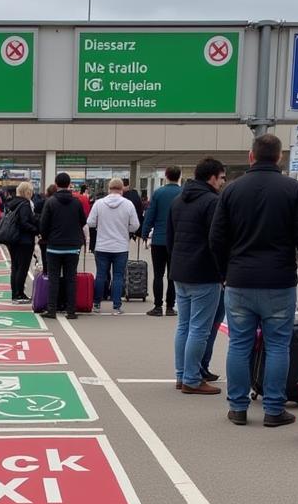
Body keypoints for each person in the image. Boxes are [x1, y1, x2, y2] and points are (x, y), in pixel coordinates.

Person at [210, 133, 298, 428]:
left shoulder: (232, 190)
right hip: (279, 279)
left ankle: (237, 407)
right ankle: (274, 409)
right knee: (277, 345)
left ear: (251, 156)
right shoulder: (293, 188)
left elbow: (217, 237)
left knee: (239, 344)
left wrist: (224, 272)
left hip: (239, 279)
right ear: (279, 157)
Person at [167, 158, 227, 394]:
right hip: (204, 273)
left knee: (184, 326)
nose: (222, 182)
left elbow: (170, 238)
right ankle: (192, 378)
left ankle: (182, 375)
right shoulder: (212, 202)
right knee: (199, 329)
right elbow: (218, 241)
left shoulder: (178, 200)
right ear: (211, 177)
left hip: (181, 271)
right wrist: (223, 271)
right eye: (221, 178)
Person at [86, 177, 139, 315]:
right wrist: (125, 228)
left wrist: (100, 225)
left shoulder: (99, 203)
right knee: (118, 276)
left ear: (109, 189)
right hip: (121, 246)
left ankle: (96, 304)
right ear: (122, 189)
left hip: (102, 245)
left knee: (101, 275)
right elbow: (135, 225)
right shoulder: (128, 204)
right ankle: (116, 306)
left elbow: (90, 222)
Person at [38, 172, 86, 320]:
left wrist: (46, 238)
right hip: (72, 246)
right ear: (69, 183)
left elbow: (43, 224)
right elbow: (82, 221)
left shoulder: (50, 202)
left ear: (56, 184)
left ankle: (52, 309)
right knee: (70, 278)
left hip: (54, 246)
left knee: (54, 279)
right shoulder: (76, 202)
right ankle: (71, 310)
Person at [142, 166, 182, 316]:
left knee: (158, 274)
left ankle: (158, 306)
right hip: (177, 240)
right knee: (172, 275)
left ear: (166, 176)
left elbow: (150, 215)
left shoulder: (158, 193)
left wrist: (145, 233)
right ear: (179, 177)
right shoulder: (183, 192)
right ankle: (171, 307)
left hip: (159, 239)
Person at [6, 181, 38, 303]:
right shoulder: (25, 205)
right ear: (28, 192)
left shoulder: (12, 203)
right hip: (24, 240)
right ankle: (19, 293)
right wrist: (35, 230)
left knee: (15, 267)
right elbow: (24, 222)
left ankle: (15, 293)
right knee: (23, 268)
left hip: (12, 239)